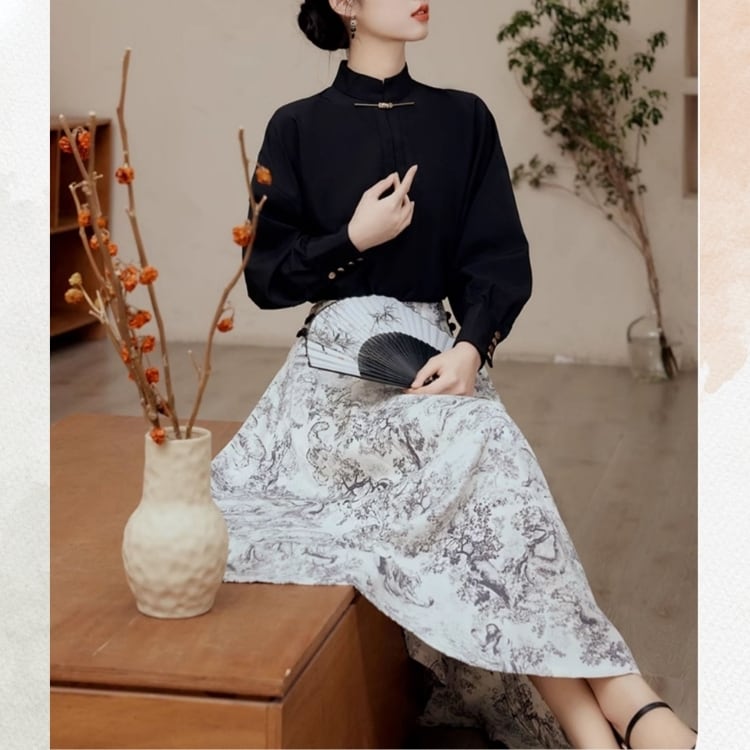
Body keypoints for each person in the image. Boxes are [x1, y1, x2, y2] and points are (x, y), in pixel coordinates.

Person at [210, 1, 697, 748]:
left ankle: (596, 729)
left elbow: (497, 258)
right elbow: (266, 278)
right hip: (333, 385)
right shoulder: (297, 126)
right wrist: (351, 238)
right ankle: (626, 711)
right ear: (345, 2)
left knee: (484, 451)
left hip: (439, 359)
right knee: (489, 453)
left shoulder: (464, 119)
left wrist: (472, 348)